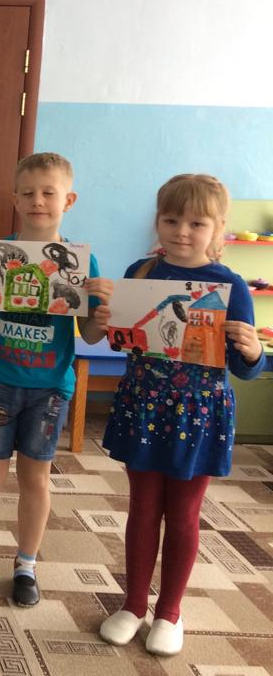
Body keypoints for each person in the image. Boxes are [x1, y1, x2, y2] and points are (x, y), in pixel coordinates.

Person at [98, 174, 265, 656]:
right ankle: (133, 605)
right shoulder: (141, 271)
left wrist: (253, 352)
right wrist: (110, 323)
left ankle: (169, 612)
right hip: (144, 406)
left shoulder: (231, 286)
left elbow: (244, 368)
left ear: (218, 228)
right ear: (158, 221)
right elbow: (125, 341)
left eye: (196, 223)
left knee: (185, 514)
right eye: (171, 220)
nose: (182, 232)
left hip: (198, 414)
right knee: (142, 508)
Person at [0, 152, 111, 606]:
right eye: (28, 193)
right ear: (15, 199)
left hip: (50, 388)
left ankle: (26, 565)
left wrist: (103, 312)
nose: (38, 201)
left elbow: (90, 334)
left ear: (68, 200)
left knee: (36, 479)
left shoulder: (82, 263)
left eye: (48, 193)